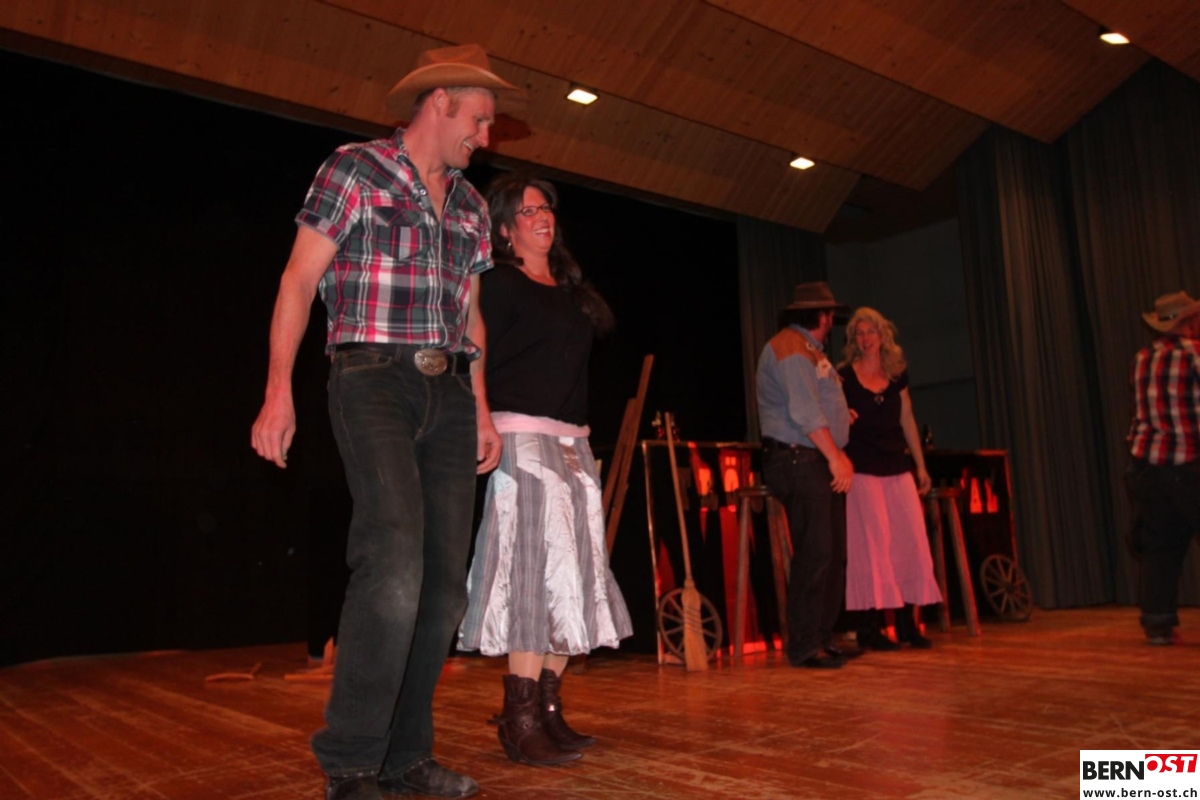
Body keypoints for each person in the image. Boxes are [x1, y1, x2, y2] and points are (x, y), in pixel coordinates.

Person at [250, 43, 519, 800]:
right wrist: (278, 390)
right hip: (372, 379)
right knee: (395, 565)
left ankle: (405, 757)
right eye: (479, 120)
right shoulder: (355, 169)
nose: (486, 137)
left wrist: (481, 405)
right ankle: (351, 761)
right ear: (439, 102)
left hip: (451, 392)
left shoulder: (469, 206)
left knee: (444, 589)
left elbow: (471, 315)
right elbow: (298, 279)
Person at [458, 173, 633, 766]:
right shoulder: (499, 284)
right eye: (528, 210)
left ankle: (549, 707)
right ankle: (520, 717)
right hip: (521, 437)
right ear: (505, 229)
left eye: (546, 208)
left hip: (572, 442)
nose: (542, 217)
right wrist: (481, 417)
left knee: (576, 573)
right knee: (531, 571)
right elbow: (474, 353)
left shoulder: (568, 288)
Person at [756, 281, 858, 669]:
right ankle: (804, 644)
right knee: (816, 553)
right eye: (831, 314)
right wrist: (836, 456)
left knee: (831, 553)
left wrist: (841, 417)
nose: (832, 320)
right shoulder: (791, 349)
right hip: (800, 460)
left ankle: (820, 637)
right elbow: (803, 412)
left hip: (812, 458)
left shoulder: (809, 349)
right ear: (824, 315)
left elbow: (810, 405)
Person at [837, 308, 942, 651]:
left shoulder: (897, 374)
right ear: (853, 340)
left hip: (897, 467)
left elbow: (907, 418)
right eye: (860, 333)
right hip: (863, 471)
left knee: (910, 542)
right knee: (872, 548)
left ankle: (907, 624)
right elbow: (832, 419)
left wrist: (920, 466)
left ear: (883, 336)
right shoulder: (844, 377)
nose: (866, 338)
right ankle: (869, 628)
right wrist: (841, 418)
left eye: (871, 332)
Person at [1126, 290, 1200, 646]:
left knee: (1160, 546)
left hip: (1149, 466)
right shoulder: (1195, 354)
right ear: (1190, 322)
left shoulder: (1142, 359)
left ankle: (1157, 624)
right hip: (1191, 463)